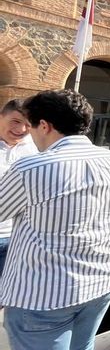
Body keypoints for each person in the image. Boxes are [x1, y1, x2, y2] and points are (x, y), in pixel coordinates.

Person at [0, 89, 110, 350]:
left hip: (42, 294)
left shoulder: (33, 167)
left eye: (30, 127)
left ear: (44, 125)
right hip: (99, 285)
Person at [0, 98, 38, 278]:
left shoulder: (36, 149)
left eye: (28, 125)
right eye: (15, 121)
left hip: (18, 238)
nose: (21, 130)